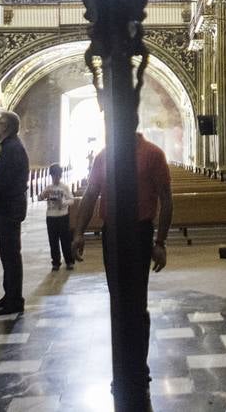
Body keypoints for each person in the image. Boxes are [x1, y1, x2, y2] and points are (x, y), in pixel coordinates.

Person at [70, 131, 173, 402]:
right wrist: (79, 232)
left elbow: (166, 197)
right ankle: (122, 368)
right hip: (112, 233)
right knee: (117, 300)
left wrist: (160, 241)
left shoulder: (153, 153)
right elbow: (91, 194)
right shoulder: (104, 156)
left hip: (140, 232)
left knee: (137, 303)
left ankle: (139, 367)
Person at [0, 110, 29, 315]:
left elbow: (5, 179)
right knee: (8, 254)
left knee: (10, 255)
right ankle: (9, 295)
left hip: (9, 207)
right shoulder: (11, 146)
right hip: (9, 206)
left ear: (8, 127)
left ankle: (14, 300)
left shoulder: (12, 148)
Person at [39, 163, 75, 271]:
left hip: (63, 216)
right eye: (54, 176)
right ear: (51, 176)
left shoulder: (64, 187)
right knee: (53, 241)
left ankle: (69, 261)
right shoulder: (48, 188)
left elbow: (72, 200)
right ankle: (55, 262)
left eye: (58, 176)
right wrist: (44, 195)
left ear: (60, 175)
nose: (56, 178)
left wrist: (63, 202)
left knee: (65, 240)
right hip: (51, 216)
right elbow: (40, 198)